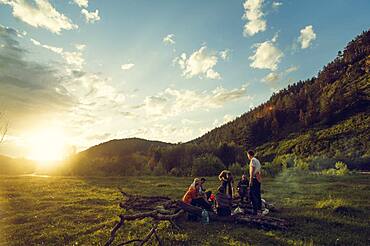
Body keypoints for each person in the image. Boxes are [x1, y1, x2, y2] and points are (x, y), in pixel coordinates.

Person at [247, 150, 262, 215]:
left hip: (254, 179)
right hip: (258, 179)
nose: (248, 157)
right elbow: (259, 171)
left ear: (249, 154)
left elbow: (252, 170)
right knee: (257, 194)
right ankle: (259, 208)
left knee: (252, 194)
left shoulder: (252, 160)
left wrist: (250, 180)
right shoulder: (257, 160)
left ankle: (254, 210)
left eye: (247, 155)